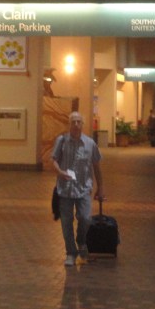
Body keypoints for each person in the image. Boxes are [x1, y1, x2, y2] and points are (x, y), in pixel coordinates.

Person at [52, 111, 104, 266]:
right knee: (66, 222)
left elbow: (96, 166)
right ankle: (70, 253)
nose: (76, 124)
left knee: (86, 218)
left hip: (83, 188)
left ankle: (81, 241)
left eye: (78, 122)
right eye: (73, 122)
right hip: (65, 189)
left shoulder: (90, 143)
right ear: (69, 124)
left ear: (83, 124)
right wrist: (59, 172)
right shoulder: (62, 141)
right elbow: (53, 160)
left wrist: (101, 187)